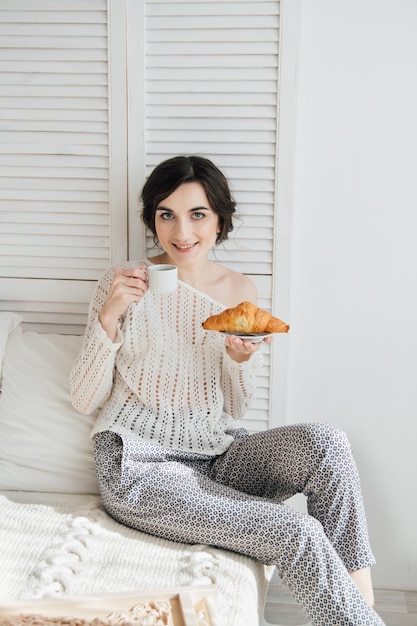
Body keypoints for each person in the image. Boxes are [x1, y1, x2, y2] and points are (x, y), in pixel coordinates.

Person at [70, 155, 385, 626]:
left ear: (220, 220)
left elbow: (235, 407)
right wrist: (110, 317)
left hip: (217, 456)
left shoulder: (239, 291)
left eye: (197, 214)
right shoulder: (123, 284)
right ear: (152, 219)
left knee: (327, 443)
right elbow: (83, 398)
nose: (181, 232)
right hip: (140, 466)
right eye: (166, 214)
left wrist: (239, 361)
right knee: (293, 530)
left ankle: (363, 608)